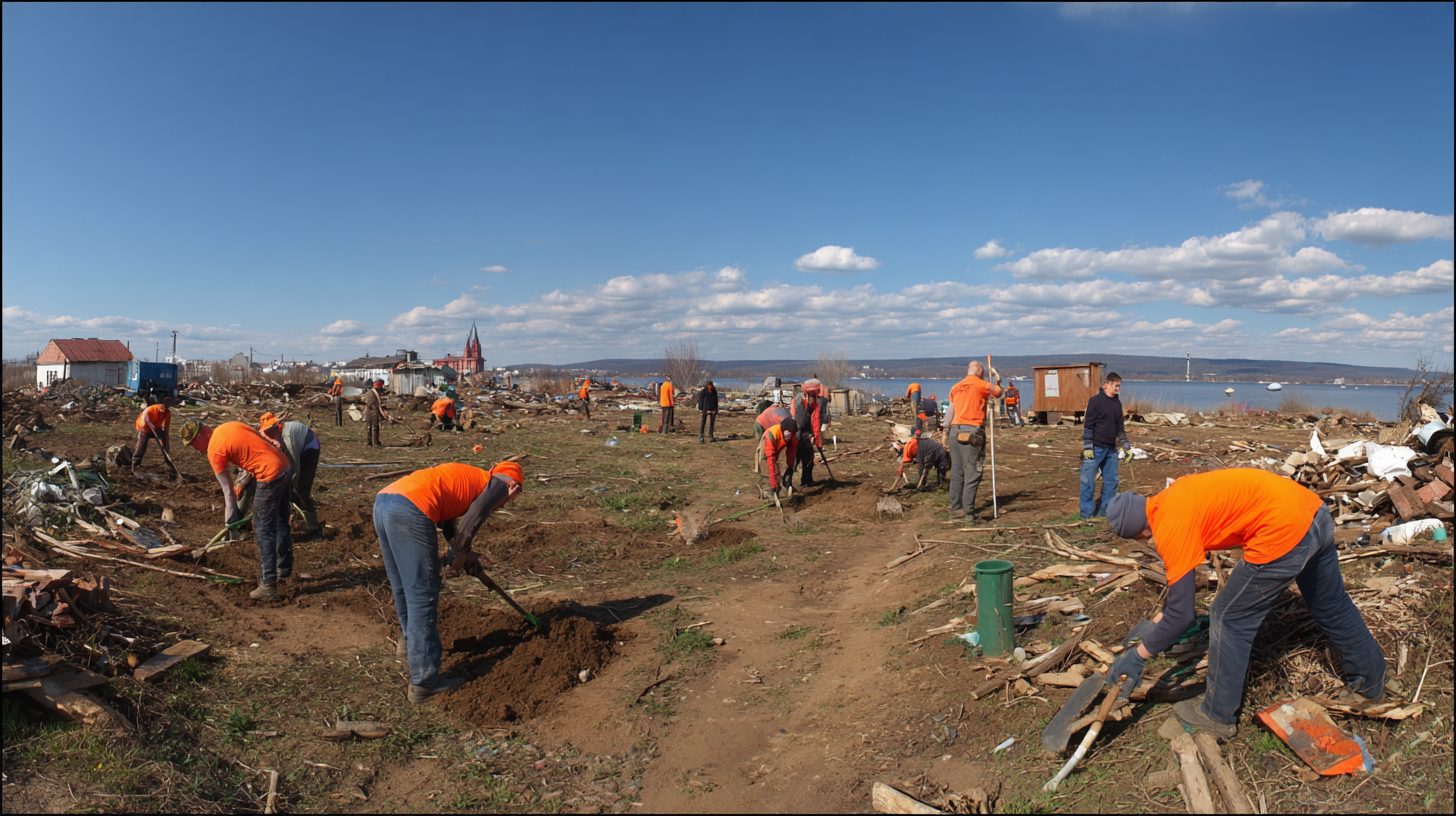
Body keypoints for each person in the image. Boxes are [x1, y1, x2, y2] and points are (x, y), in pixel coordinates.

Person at [1103, 471, 1386, 741]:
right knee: (1331, 604)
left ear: (1138, 534)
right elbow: (1178, 595)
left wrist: (1140, 655)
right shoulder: (1174, 494)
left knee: (1228, 617)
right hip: (1313, 512)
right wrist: (1156, 623)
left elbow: (1183, 612)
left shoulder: (1169, 524)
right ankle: (1371, 682)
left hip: (1283, 530)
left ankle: (1216, 716)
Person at [374, 461, 524, 703]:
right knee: (422, 593)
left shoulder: (468, 480)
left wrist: (466, 555)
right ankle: (425, 681)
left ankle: (410, 644)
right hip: (411, 509)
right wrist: (458, 553)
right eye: (512, 498)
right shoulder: (499, 483)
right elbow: (471, 522)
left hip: (385, 502)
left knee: (403, 584)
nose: (506, 504)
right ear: (514, 487)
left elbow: (450, 525)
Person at [180, 420, 293, 600]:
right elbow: (259, 439)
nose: (195, 449)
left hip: (269, 474)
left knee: (263, 528)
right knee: (280, 520)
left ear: (200, 435)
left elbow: (228, 493)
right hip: (284, 465)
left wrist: (230, 520)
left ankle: (268, 585)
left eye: (193, 444)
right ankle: (284, 568)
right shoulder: (228, 426)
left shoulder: (214, 451)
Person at [946, 360, 1002, 521]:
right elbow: (999, 392)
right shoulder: (981, 384)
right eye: (983, 372)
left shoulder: (955, 387)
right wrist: (996, 377)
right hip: (971, 432)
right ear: (979, 370)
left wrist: (945, 429)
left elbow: (950, 411)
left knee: (957, 472)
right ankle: (969, 513)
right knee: (972, 472)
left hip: (955, 431)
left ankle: (956, 509)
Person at [259, 412, 323, 537]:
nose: (268, 435)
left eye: (269, 432)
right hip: (297, 445)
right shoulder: (274, 435)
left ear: (276, 427)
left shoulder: (288, 437)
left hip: (309, 447)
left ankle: (313, 527)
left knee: (301, 489)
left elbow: (295, 467)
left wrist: (288, 486)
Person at [1080, 372, 1132, 520]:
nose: (1118, 389)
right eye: (1116, 385)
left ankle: (1105, 512)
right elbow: (1088, 425)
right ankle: (1086, 514)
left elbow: (1120, 428)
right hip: (1095, 447)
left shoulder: (1117, 403)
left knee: (1111, 482)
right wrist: (1088, 447)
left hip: (1111, 450)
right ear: (1107, 384)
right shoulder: (1095, 401)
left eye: (1119, 386)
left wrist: (1126, 445)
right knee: (1088, 481)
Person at [790, 379, 831, 487]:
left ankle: (807, 481)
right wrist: (808, 437)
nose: (815, 399)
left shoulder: (814, 405)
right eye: (813, 397)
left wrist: (816, 439)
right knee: (795, 460)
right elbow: (799, 425)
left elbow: (816, 423)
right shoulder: (800, 404)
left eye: (815, 397)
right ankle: (787, 482)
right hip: (797, 435)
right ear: (807, 395)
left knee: (809, 459)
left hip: (807, 435)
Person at [131, 396, 176, 475]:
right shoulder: (153, 408)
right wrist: (149, 423)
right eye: (164, 407)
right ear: (162, 405)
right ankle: (135, 465)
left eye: (168, 407)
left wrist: (166, 440)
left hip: (156, 428)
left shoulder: (168, 413)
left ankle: (168, 465)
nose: (165, 409)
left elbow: (166, 427)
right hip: (144, 427)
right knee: (141, 446)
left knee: (164, 444)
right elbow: (145, 415)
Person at [761, 416, 799, 496]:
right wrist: (773, 484)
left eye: (791, 433)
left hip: (776, 451)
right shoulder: (771, 435)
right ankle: (769, 491)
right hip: (765, 452)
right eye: (788, 432)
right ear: (783, 429)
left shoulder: (792, 435)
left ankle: (778, 489)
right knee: (769, 471)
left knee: (777, 472)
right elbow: (770, 460)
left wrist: (790, 468)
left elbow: (791, 452)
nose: (789, 435)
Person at [754, 403, 792, 473]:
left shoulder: (776, 409)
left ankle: (765, 460)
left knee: (766, 446)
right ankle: (759, 467)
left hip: (760, 422)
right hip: (761, 424)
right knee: (762, 445)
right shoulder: (783, 419)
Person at [364, 379, 389, 446]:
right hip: (373, 412)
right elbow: (377, 404)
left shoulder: (369, 392)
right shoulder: (374, 394)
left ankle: (369, 442)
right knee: (375, 427)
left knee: (369, 427)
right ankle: (376, 442)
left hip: (369, 411)